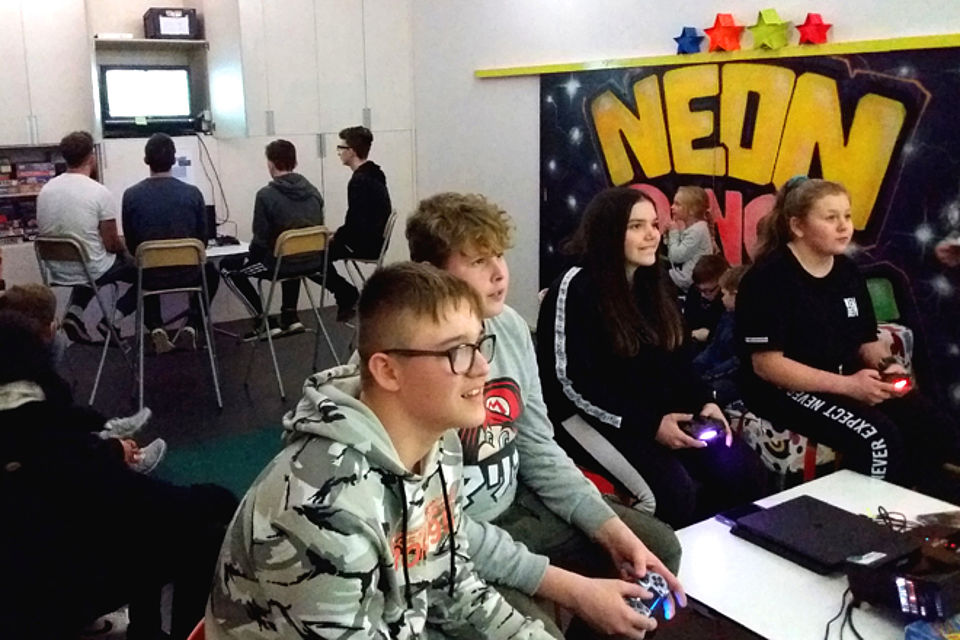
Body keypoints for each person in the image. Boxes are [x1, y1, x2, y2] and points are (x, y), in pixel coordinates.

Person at [207, 262, 553, 639]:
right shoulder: (321, 507)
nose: (483, 367)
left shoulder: (441, 446)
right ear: (388, 371)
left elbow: (452, 583)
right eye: (458, 350)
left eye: (479, 344)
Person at [406, 192, 684, 638]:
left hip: (519, 501)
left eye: (499, 255)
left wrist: (610, 529)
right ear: (432, 274)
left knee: (656, 551)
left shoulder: (510, 327)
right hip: (454, 538)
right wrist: (571, 589)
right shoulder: (411, 361)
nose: (500, 273)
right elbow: (433, 528)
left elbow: (536, 444)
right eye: (478, 261)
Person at [536, 187, 766, 528]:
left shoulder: (655, 283)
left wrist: (705, 402)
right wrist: (650, 425)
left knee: (746, 474)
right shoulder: (575, 286)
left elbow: (680, 361)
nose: (652, 235)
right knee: (672, 496)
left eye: (655, 225)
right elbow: (569, 383)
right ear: (608, 231)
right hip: (587, 417)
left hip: (653, 413)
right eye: (636, 226)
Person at [0, 311, 237, 640]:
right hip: (45, 592)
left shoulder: (29, 424)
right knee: (201, 531)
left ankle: (143, 630)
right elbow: (145, 501)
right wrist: (221, 500)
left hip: (20, 585)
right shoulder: (43, 434)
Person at [737, 177, 960, 494]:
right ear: (798, 226)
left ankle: (911, 508)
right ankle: (863, 517)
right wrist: (849, 386)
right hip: (782, 390)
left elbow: (867, 341)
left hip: (843, 377)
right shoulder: (768, 278)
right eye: (831, 218)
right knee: (878, 440)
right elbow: (767, 366)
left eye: (847, 216)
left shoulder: (847, 271)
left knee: (935, 428)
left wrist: (890, 367)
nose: (844, 226)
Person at [0, 284, 166, 470]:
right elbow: (51, 438)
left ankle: (107, 433)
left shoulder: (23, 375)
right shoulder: (21, 394)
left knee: (60, 409)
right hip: (27, 463)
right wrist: (115, 449)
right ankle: (117, 456)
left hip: (35, 438)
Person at [122, 133, 220, 353]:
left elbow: (132, 245)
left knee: (142, 270)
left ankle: (156, 327)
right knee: (212, 273)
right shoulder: (193, 193)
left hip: (150, 276)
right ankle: (193, 325)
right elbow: (202, 242)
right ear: (174, 160)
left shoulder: (131, 195)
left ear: (146, 160)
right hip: (189, 274)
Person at [36, 130, 137, 343]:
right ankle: (113, 320)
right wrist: (128, 252)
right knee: (145, 273)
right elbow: (111, 244)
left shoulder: (46, 189)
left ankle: (74, 313)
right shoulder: (99, 192)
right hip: (90, 268)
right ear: (91, 157)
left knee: (91, 261)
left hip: (55, 269)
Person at [220, 139, 324, 340]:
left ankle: (263, 322)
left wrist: (250, 259)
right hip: (312, 262)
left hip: (280, 265)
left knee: (229, 268)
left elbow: (260, 239)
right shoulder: (314, 192)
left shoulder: (265, 195)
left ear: (271, 163)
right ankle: (290, 316)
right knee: (292, 251)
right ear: (294, 162)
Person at [318, 125, 392, 321]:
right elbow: (360, 218)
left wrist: (337, 237)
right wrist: (339, 234)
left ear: (351, 151)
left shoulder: (359, 180)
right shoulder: (375, 173)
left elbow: (356, 223)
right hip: (375, 241)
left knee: (313, 258)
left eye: (341, 148)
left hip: (365, 244)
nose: (338, 152)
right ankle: (346, 293)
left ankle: (346, 293)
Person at [693, 265, 749, 407]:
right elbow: (714, 347)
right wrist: (695, 367)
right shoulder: (727, 316)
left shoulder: (751, 324)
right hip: (716, 370)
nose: (722, 298)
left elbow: (738, 362)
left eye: (724, 294)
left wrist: (707, 376)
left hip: (735, 380)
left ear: (736, 295)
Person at [665, 186, 716, 291]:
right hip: (684, 275)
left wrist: (673, 233)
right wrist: (668, 235)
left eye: (677, 204)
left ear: (692, 210)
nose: (672, 207)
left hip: (687, 279)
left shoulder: (698, 230)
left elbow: (676, 256)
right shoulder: (694, 228)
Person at [683, 254, 728, 345]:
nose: (703, 295)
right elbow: (687, 320)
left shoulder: (728, 300)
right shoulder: (694, 291)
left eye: (709, 291)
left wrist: (709, 335)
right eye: (700, 290)